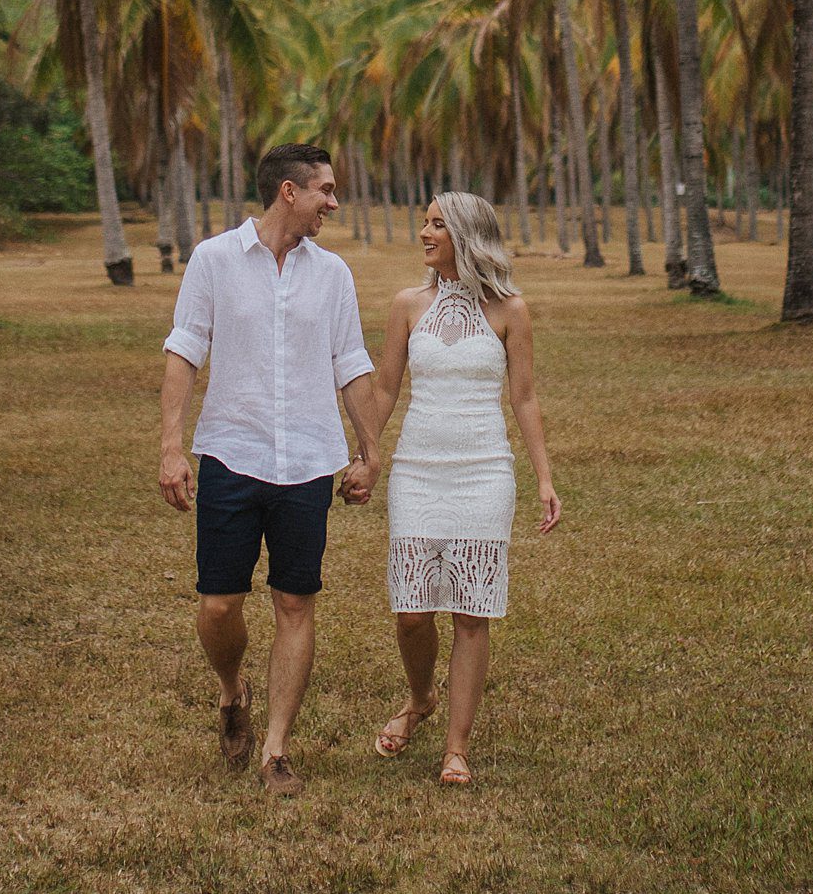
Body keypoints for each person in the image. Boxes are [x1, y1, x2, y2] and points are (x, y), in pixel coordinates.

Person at [157, 142, 382, 795]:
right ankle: (233, 690)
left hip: (310, 461)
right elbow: (184, 352)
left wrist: (371, 452)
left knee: (294, 600)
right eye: (326, 190)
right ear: (290, 191)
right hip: (233, 453)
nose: (333, 203)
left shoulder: (333, 274)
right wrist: (173, 447)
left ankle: (277, 747)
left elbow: (352, 363)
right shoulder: (215, 260)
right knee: (220, 603)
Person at [369, 192, 559, 787]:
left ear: (468, 236)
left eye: (436, 224)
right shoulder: (406, 304)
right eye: (423, 221)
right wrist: (366, 455)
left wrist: (545, 479)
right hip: (417, 470)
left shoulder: (511, 310)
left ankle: (456, 747)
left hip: (484, 473)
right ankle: (420, 697)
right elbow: (383, 388)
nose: (423, 232)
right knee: (410, 611)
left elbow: (523, 398)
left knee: (472, 614)